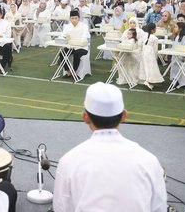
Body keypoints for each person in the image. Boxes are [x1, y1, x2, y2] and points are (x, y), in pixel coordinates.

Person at [53, 82, 167, 212]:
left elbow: (62, 207)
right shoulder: (149, 161)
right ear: (124, 116)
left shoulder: (69, 161)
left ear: (85, 117)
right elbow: (159, 207)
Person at [61, 10, 90, 77]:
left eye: (76, 18)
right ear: (70, 19)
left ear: (79, 18)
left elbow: (84, 37)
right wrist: (65, 38)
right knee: (62, 53)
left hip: (82, 47)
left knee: (76, 54)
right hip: (71, 46)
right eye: (72, 18)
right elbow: (63, 35)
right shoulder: (68, 26)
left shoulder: (84, 26)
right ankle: (68, 71)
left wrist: (76, 42)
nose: (74, 20)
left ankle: (74, 72)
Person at [139, 23, 164, 90]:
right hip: (151, 54)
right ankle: (148, 81)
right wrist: (155, 57)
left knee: (145, 67)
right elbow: (155, 50)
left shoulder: (144, 35)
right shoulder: (155, 38)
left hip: (144, 53)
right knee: (151, 68)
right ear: (153, 30)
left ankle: (147, 80)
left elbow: (140, 44)